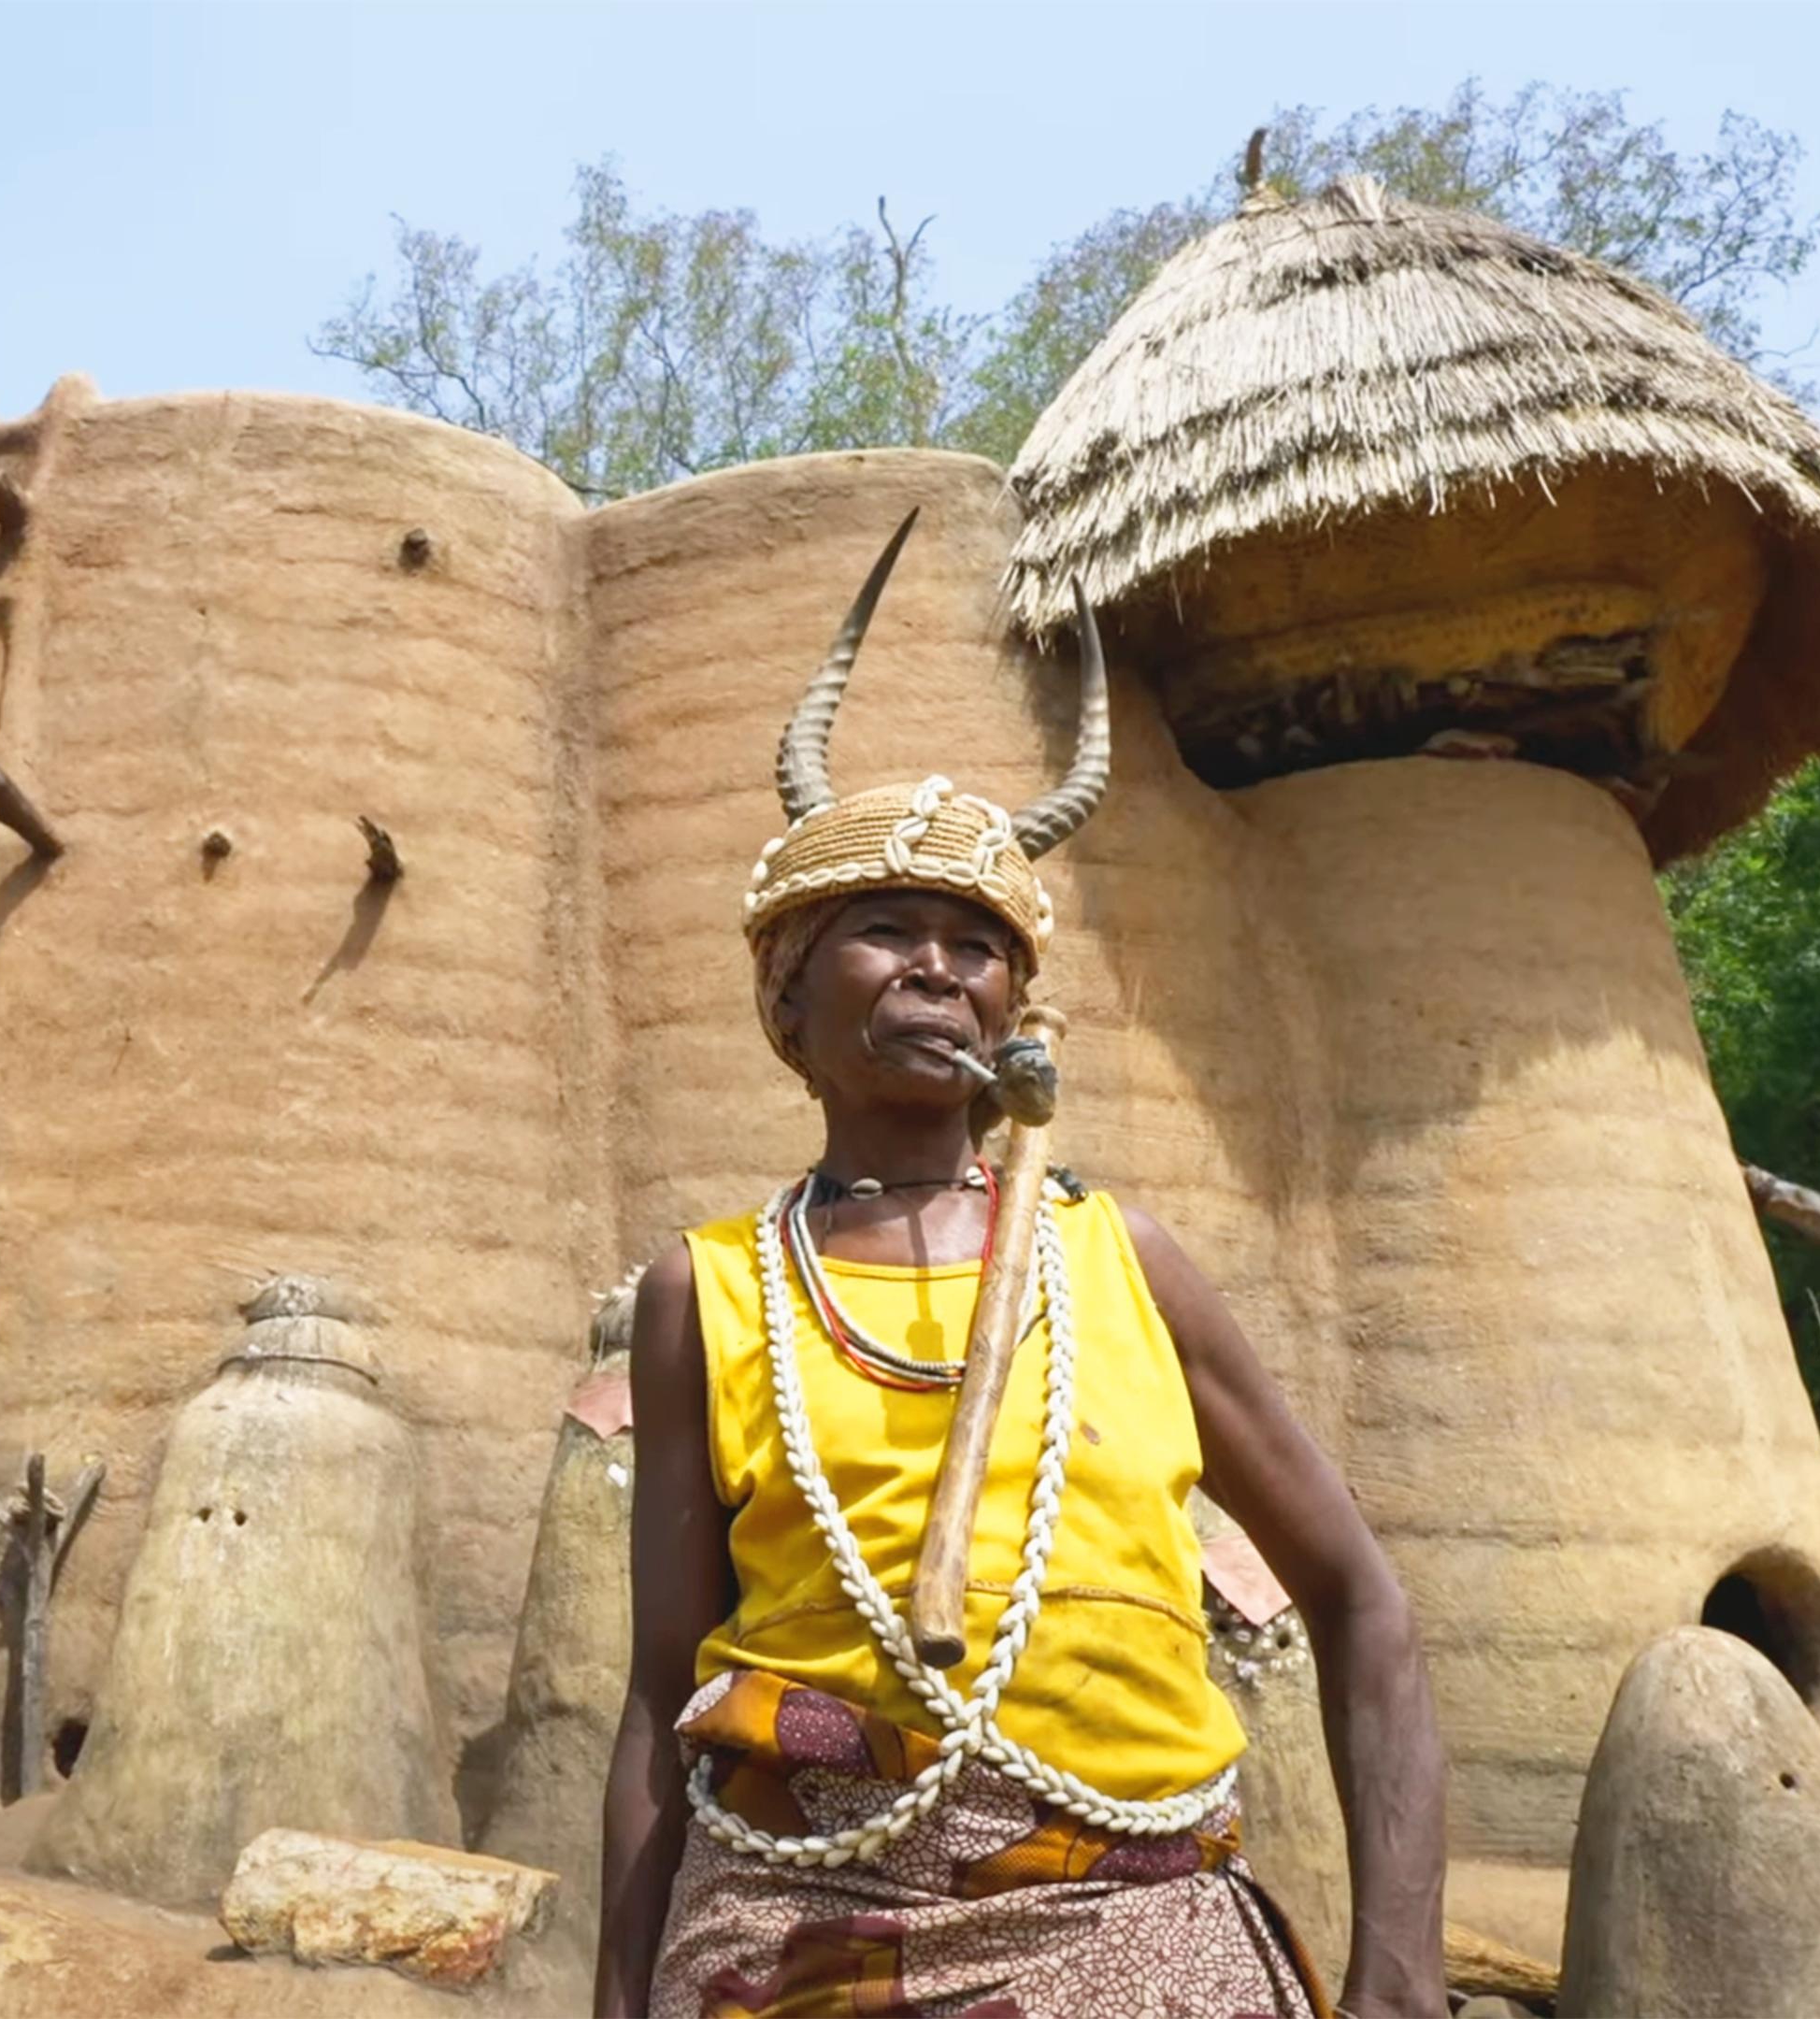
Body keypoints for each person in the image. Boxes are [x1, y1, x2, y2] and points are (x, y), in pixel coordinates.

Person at [594, 516, 1447, 2019]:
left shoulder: (1126, 1265)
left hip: (1129, 1929)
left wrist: (1399, 1977)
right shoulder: (710, 1294)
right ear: (792, 999)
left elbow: (1360, 1601)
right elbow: (665, 1690)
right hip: (794, 1924)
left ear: (1013, 1012)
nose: (938, 966)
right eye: (883, 930)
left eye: (975, 944)